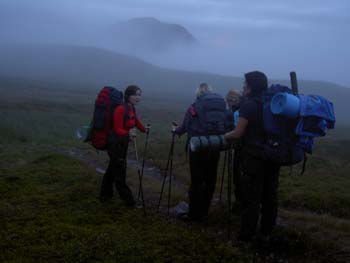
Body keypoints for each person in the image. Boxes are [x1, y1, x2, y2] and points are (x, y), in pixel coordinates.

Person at [224, 71, 280, 242]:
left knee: (251, 197)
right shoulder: (272, 103)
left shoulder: (249, 105)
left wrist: (225, 136)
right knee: (270, 196)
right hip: (273, 156)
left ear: (252, 86)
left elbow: (238, 132)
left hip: (254, 158)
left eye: (245, 84)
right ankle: (266, 233)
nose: (243, 87)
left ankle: (246, 237)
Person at [174, 83, 225, 222]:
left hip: (197, 148)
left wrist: (176, 131)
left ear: (198, 93)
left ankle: (193, 214)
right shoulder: (221, 105)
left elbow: (185, 126)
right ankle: (204, 212)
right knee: (210, 180)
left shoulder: (195, 106)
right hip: (214, 146)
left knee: (197, 181)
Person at [100, 85, 147, 206]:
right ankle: (129, 201)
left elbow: (135, 120)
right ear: (128, 96)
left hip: (122, 144)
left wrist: (144, 129)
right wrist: (129, 133)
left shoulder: (131, 109)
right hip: (115, 144)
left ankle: (105, 195)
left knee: (112, 169)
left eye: (139, 95)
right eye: (135, 95)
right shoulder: (121, 109)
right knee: (120, 173)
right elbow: (117, 129)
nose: (138, 97)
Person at [225, 89, 242, 212]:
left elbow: (237, 132)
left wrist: (226, 136)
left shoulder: (237, 112)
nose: (230, 103)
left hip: (241, 147)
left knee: (238, 175)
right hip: (243, 147)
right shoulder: (239, 109)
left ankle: (239, 204)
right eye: (229, 100)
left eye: (231, 100)